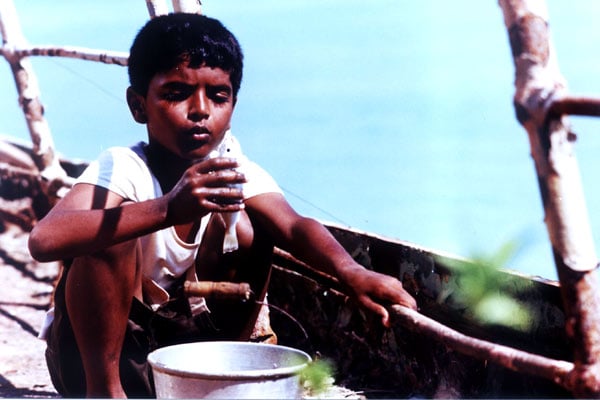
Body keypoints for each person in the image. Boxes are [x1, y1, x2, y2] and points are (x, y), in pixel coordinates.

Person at [29, 13, 417, 398]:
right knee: (106, 234)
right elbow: (43, 240)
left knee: (251, 228)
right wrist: (168, 208)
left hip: (183, 363)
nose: (200, 110)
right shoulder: (124, 166)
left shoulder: (231, 168)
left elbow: (295, 226)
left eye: (218, 96)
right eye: (176, 93)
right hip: (90, 366)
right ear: (138, 105)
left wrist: (352, 273)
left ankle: (228, 369)